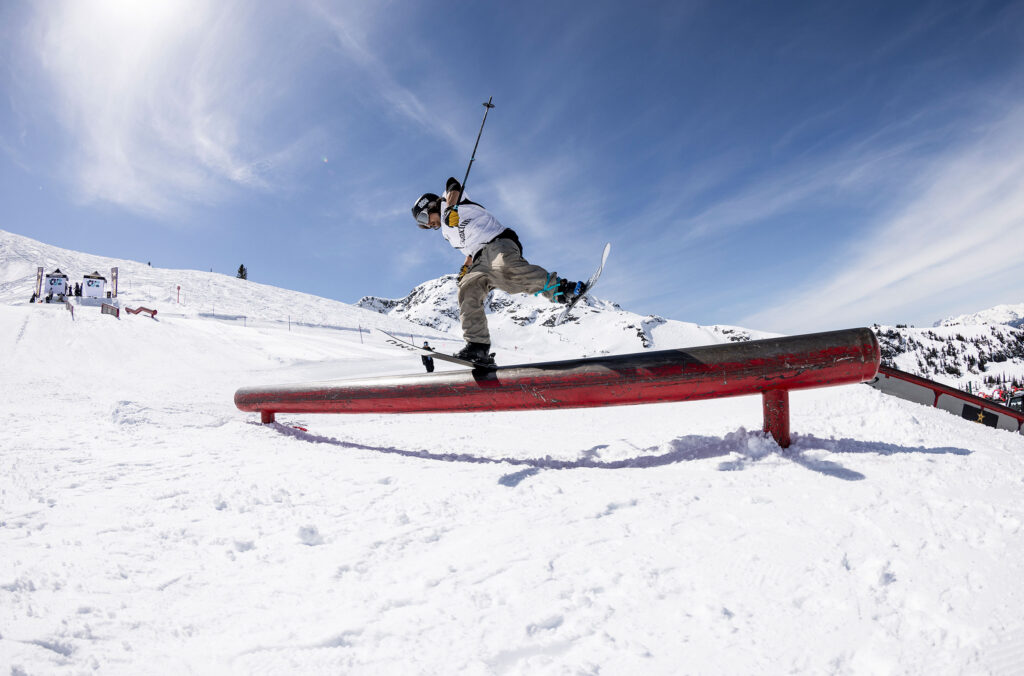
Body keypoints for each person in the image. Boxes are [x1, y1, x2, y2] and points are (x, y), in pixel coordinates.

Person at [412, 177, 587, 364]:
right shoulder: (447, 234)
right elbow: (470, 249)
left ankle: (561, 290)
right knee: (467, 288)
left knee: (505, 268)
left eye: (424, 218)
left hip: (497, 241)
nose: (427, 225)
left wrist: (450, 209)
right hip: (478, 257)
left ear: (430, 206)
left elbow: (452, 183)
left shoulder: (451, 200)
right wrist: (465, 267)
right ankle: (478, 347)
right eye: (422, 225)